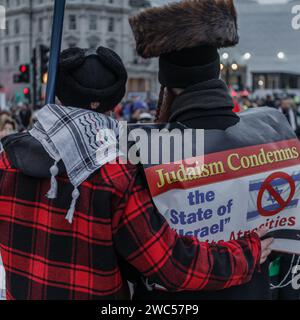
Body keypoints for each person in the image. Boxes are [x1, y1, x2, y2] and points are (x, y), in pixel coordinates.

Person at [0, 46, 271, 300]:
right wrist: (246, 254)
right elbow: (172, 265)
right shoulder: (114, 175)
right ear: (115, 102)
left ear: (59, 93)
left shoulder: (5, 160)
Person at [129, 0, 274, 300]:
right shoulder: (270, 133)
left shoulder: (144, 148)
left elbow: (138, 255)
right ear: (218, 71)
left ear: (168, 84)